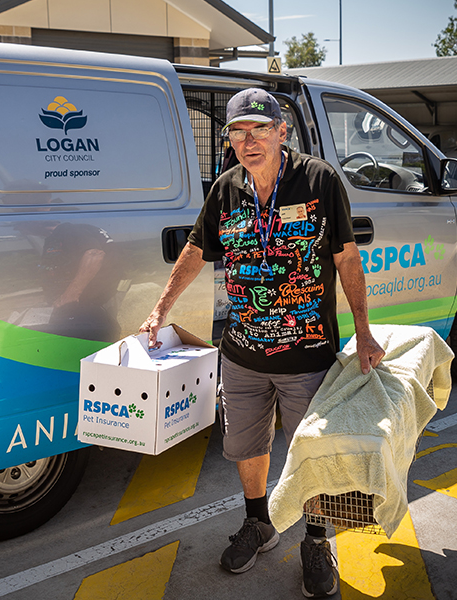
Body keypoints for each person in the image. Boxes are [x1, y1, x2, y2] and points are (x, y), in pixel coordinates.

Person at [140, 88, 385, 598]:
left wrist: (363, 332)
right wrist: (160, 309)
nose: (248, 142)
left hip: (307, 356)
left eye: (259, 130)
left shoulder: (319, 180)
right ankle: (259, 523)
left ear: (282, 132)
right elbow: (195, 249)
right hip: (242, 353)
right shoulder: (228, 188)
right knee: (246, 447)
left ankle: (316, 542)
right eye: (238, 132)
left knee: (312, 453)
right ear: (229, 141)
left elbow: (346, 260)